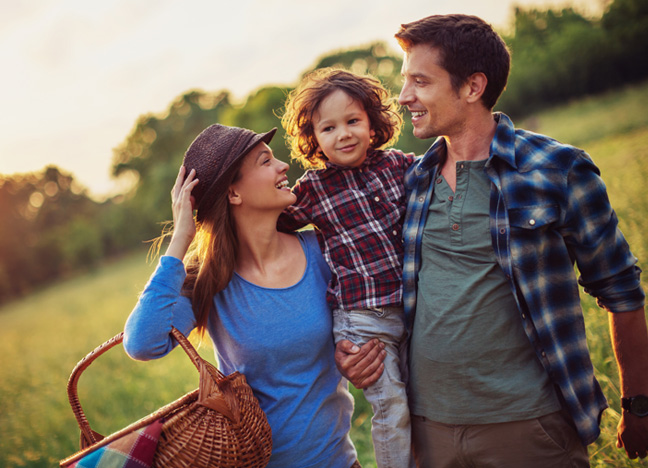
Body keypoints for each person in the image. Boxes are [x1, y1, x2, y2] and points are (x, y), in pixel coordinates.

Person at [336, 13, 648, 467]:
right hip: (427, 431)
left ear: (472, 87)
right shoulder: (411, 179)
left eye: (420, 82)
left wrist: (639, 404)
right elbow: (369, 274)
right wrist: (359, 351)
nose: (404, 97)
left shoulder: (558, 169)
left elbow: (621, 290)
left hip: (530, 427)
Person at [123, 123, 361, 468]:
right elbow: (142, 343)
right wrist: (180, 240)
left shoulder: (322, 250)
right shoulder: (209, 281)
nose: (283, 166)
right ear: (233, 194)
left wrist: (361, 357)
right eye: (265, 162)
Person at [278, 68, 416, 468]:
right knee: (393, 410)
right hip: (363, 321)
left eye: (353, 121)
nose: (344, 134)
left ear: (373, 124)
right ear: (314, 139)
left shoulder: (398, 166)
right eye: (328, 128)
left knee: (425, 406)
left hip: (412, 309)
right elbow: (266, 224)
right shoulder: (313, 189)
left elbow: (444, 170)